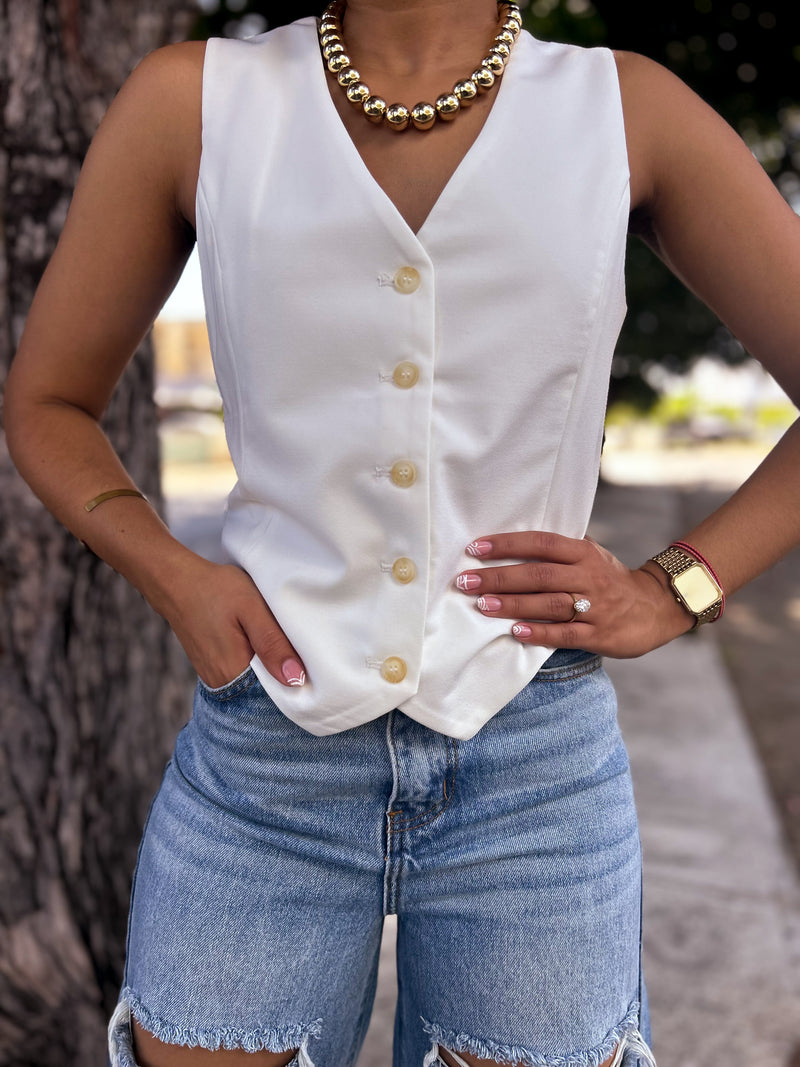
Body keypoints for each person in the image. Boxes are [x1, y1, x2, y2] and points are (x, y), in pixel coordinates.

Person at [5, 0, 800, 1064]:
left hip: (532, 765)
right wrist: (173, 575)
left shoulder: (623, 111)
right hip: (265, 753)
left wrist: (676, 587)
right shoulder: (195, 103)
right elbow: (48, 401)